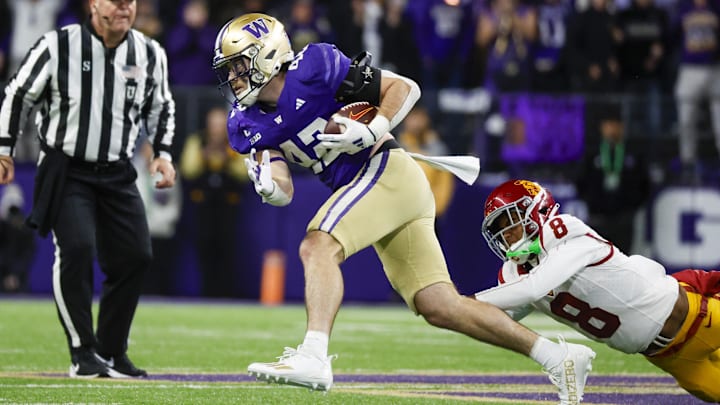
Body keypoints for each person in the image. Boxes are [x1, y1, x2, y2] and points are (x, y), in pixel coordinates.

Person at [211, 13, 595, 403]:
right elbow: (283, 186)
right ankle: (559, 356)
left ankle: (313, 354)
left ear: (269, 54)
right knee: (441, 306)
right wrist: (268, 187)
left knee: (318, 245)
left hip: (386, 171)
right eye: (229, 69)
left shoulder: (314, 66)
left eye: (239, 64)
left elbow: (405, 88)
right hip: (380, 187)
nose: (234, 76)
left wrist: (373, 127)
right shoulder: (244, 121)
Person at [0, 0, 176, 379]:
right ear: (94, 4)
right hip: (67, 168)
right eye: (117, 0)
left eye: (131, 1)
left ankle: (112, 351)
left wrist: (162, 154)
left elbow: (160, 107)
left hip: (118, 170)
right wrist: (3, 148)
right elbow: (19, 94)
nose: (126, 7)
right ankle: (83, 351)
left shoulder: (149, 52)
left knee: (136, 256)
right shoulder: (57, 45)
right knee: (77, 248)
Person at [474, 179, 720, 403]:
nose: (505, 233)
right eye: (498, 228)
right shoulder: (514, 273)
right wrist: (457, 311)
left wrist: (465, 301)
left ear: (535, 210)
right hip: (670, 358)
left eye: (509, 220)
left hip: (697, 314)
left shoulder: (562, 230)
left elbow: (535, 287)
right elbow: (494, 320)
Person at [179, 105, 248, 298]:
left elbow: (245, 173)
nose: (217, 129)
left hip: (228, 205)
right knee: (204, 248)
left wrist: (228, 159)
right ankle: (206, 292)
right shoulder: (197, 141)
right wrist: (204, 156)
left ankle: (226, 293)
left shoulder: (235, 142)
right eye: (213, 125)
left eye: (220, 125)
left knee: (228, 249)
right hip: (204, 205)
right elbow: (188, 170)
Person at [132, 140, 182, 296]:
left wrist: (162, 222)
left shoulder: (168, 172)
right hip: (138, 233)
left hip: (161, 232)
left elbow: (175, 203)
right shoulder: (132, 172)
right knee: (139, 273)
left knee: (161, 272)